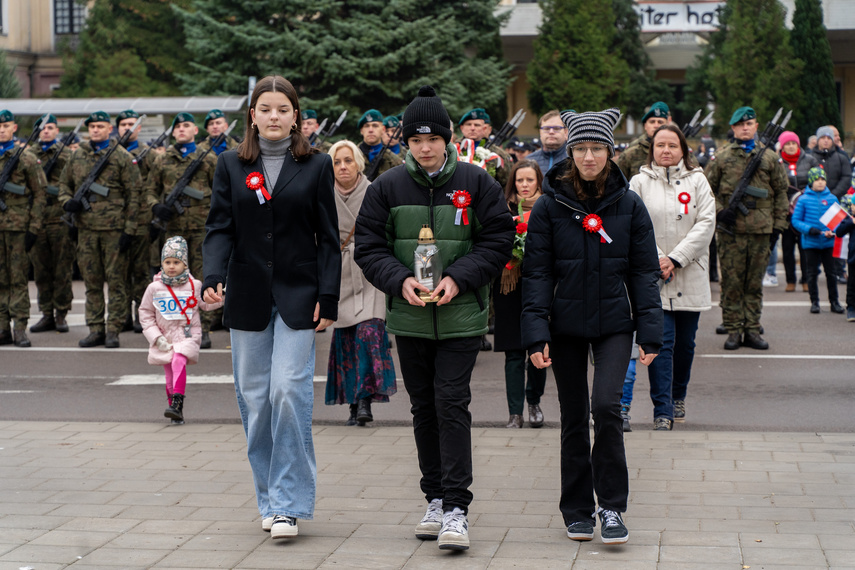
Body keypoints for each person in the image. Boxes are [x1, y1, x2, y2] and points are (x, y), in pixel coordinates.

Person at [354, 85, 514, 551]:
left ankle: (457, 508)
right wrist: (398, 279)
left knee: (451, 402)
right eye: (416, 140)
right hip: (409, 316)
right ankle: (435, 499)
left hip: (461, 315)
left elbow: (498, 238)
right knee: (422, 407)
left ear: (447, 139)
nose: (425, 148)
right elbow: (368, 244)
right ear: (406, 141)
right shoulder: (387, 186)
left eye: (433, 139)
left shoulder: (476, 181)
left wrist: (460, 278)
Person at [202, 75, 340, 540]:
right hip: (246, 295)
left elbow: (328, 238)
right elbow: (219, 228)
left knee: (288, 390)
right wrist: (212, 277)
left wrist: (329, 296)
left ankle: (288, 505)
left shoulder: (317, 166)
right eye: (266, 109)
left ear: (296, 115)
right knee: (256, 400)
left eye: (283, 108)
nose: (275, 116)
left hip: (301, 295)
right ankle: (268, 498)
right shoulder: (229, 164)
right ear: (253, 116)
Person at [521, 108, 662, 545]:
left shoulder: (630, 204)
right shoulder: (549, 205)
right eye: (580, 148)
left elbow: (643, 272)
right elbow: (538, 274)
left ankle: (613, 508)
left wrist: (651, 330)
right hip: (564, 325)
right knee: (574, 416)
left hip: (615, 324)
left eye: (596, 148)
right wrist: (535, 332)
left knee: (606, 408)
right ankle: (578, 510)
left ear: (609, 151)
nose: (588, 156)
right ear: (569, 151)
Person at [628, 124, 715, 429]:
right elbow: (634, 226)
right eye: (660, 145)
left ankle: (678, 395)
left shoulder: (698, 181)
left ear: (683, 150)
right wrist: (658, 259)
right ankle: (662, 409)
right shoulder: (638, 183)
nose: (666, 150)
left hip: (689, 272)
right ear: (651, 149)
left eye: (672, 146)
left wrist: (676, 258)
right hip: (653, 276)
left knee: (685, 345)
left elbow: (706, 223)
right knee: (660, 343)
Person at [324, 140, 397, 426]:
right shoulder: (323, 194)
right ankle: (353, 403)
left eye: (348, 160)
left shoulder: (374, 191)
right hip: (337, 273)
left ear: (358, 163)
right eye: (337, 162)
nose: (343, 167)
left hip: (369, 269)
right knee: (346, 340)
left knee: (369, 334)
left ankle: (366, 400)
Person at [705, 107, 788, 351]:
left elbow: (781, 192)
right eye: (740, 124)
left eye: (749, 123)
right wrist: (721, 211)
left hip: (762, 230)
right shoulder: (721, 157)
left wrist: (779, 226)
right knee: (731, 283)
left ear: (756, 125)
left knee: (753, 284)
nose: (745, 127)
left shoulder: (770, 157)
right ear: (733, 128)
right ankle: (733, 330)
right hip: (731, 231)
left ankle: (752, 329)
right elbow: (707, 190)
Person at [59, 110, 142, 349]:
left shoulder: (122, 157)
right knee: (92, 283)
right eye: (92, 126)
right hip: (86, 229)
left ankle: (114, 329)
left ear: (109, 129)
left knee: (116, 282)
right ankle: (95, 328)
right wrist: (67, 202)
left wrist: (129, 229)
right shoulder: (77, 157)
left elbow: (134, 195)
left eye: (100, 126)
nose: (95, 130)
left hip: (115, 230)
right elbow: (63, 185)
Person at [145, 113, 218, 348]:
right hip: (174, 230)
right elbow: (149, 190)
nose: (182, 130)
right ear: (173, 132)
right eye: (178, 127)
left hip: (201, 228)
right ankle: (177, 328)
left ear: (196, 131)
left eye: (187, 126)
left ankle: (202, 328)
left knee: (201, 279)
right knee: (175, 281)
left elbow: (220, 192)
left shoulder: (208, 159)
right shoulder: (162, 160)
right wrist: (156, 206)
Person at [139, 236, 223, 424]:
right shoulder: (154, 288)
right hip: (165, 339)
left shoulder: (195, 285)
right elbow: (145, 314)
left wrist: (221, 297)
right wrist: (155, 337)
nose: (171, 266)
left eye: (176, 262)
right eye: (167, 262)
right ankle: (176, 412)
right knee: (169, 374)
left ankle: (176, 403)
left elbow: (205, 305)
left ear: (185, 264)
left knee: (179, 361)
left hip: (188, 336)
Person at [493, 159, 547, 429]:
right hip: (509, 286)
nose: (524, 186)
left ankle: (534, 401)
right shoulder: (503, 208)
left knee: (538, 348)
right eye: (519, 181)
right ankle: (515, 412)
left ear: (539, 181)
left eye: (530, 180)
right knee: (513, 353)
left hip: (539, 287)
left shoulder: (549, 207)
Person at [0, 110, 48, 347]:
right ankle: (2, 328)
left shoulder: (26, 157)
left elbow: (40, 195)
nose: (1, 130)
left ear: (14, 128)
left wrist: (34, 227)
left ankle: (19, 327)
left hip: (18, 228)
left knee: (18, 278)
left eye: (5, 125)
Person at [28, 114, 74, 335]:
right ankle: (46, 313)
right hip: (36, 220)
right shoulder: (27, 155)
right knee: (41, 270)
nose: (46, 131)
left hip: (60, 220)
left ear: (57, 131)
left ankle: (61, 314)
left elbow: (73, 183)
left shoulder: (67, 155)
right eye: (42, 128)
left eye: (50, 127)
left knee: (62, 270)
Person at [116, 109, 153, 333]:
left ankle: (141, 315)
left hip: (141, 221)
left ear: (138, 128)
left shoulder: (149, 154)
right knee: (119, 273)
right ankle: (121, 317)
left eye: (131, 124)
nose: (127, 128)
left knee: (140, 272)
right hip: (113, 222)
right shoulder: (110, 153)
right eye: (123, 124)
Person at [791, 167, 844, 314]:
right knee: (812, 273)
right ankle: (814, 302)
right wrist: (809, 229)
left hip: (828, 243)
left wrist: (833, 232)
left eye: (822, 179)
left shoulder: (832, 198)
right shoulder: (803, 199)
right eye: (816, 180)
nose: (820, 183)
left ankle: (834, 301)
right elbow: (795, 220)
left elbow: (839, 221)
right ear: (811, 182)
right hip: (810, 243)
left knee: (831, 273)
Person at [777, 131, 818, 292]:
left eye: (793, 143)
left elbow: (818, 181)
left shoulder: (810, 160)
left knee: (804, 247)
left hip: (805, 212)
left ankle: (805, 279)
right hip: (786, 212)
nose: (791, 146)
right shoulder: (778, 162)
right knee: (787, 247)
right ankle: (790, 280)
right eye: (787, 144)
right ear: (782, 147)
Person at [814, 126, 852, 285]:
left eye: (828, 138)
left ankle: (838, 270)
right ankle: (813, 270)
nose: (825, 140)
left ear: (833, 141)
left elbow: (846, 178)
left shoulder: (842, 158)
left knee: (837, 237)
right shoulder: (811, 157)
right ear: (817, 140)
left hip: (836, 204)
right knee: (815, 235)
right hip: (815, 203)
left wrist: (832, 196)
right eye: (822, 137)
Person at [616, 101, 670, 180]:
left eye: (660, 122)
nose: (656, 125)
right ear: (645, 126)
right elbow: (617, 181)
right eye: (652, 122)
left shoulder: (678, 150)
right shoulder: (632, 151)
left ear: (667, 125)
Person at [358, 109, 403, 181]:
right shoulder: (352, 155)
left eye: (375, 126)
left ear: (383, 129)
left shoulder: (394, 161)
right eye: (367, 126)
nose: (370, 130)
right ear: (361, 130)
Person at [834, 191, 855, 321]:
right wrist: (850, 222)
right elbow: (839, 232)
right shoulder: (850, 220)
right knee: (852, 284)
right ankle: (851, 308)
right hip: (853, 259)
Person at [528, 110, 568, 177]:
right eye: (546, 128)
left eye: (556, 128)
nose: (551, 132)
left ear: (566, 132)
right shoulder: (529, 161)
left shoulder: (575, 160)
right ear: (540, 132)